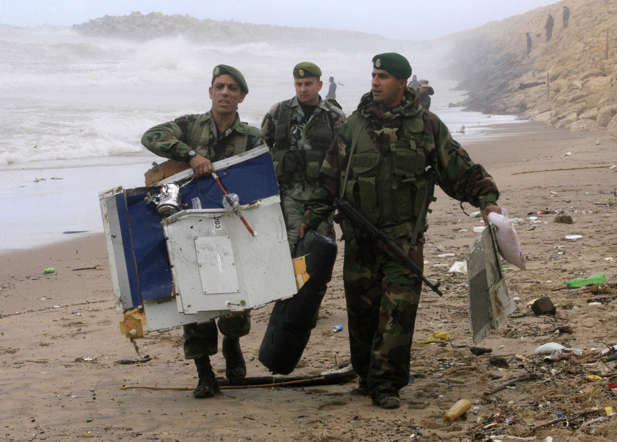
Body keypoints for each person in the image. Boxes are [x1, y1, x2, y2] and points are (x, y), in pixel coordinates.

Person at [300, 52, 502, 409]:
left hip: (403, 241)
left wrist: (486, 199)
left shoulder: (426, 126)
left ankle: (386, 384)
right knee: (362, 314)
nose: (375, 82)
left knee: (397, 314)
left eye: (384, 76)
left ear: (402, 82)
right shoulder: (353, 127)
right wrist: (311, 216)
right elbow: (329, 178)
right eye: (374, 75)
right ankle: (366, 375)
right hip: (360, 240)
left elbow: (458, 169)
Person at [141, 64, 263, 399]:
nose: (225, 92)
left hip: (231, 223)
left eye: (232, 88)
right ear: (210, 92)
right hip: (191, 225)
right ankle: (204, 372)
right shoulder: (189, 127)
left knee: (238, 295)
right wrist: (190, 154)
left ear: (242, 97)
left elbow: (265, 177)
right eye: (220, 86)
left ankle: (233, 343)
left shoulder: (252, 137)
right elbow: (150, 137)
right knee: (195, 298)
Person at [262, 62, 345, 248]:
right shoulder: (279, 112)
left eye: (308, 84)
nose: (303, 89)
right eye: (299, 84)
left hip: (321, 197)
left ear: (319, 85)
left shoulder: (334, 116)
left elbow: (343, 159)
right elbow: (261, 149)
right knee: (288, 246)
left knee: (319, 248)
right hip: (287, 195)